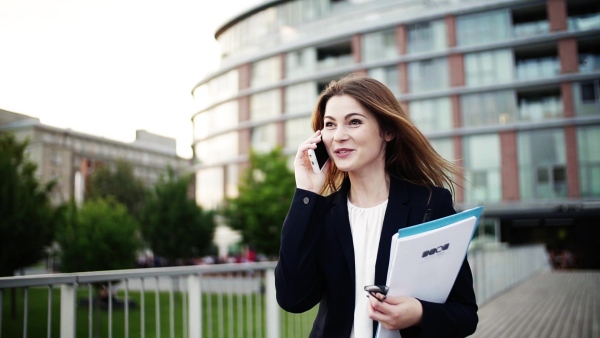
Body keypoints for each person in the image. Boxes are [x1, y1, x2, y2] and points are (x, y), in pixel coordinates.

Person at [275, 74, 478, 337]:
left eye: (354, 122)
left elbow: (465, 315)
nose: (339, 136)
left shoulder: (429, 204)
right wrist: (305, 192)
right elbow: (293, 299)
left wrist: (418, 313)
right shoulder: (320, 213)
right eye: (330, 125)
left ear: (388, 131)